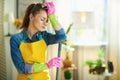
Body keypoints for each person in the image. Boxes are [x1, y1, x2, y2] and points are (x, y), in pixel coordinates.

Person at [10, 2, 66, 80]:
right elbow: (21, 68)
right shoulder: (16, 39)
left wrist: (52, 16)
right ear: (31, 17)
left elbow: (62, 36)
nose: (45, 23)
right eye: (42, 19)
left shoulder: (44, 36)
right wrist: (47, 65)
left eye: (47, 21)